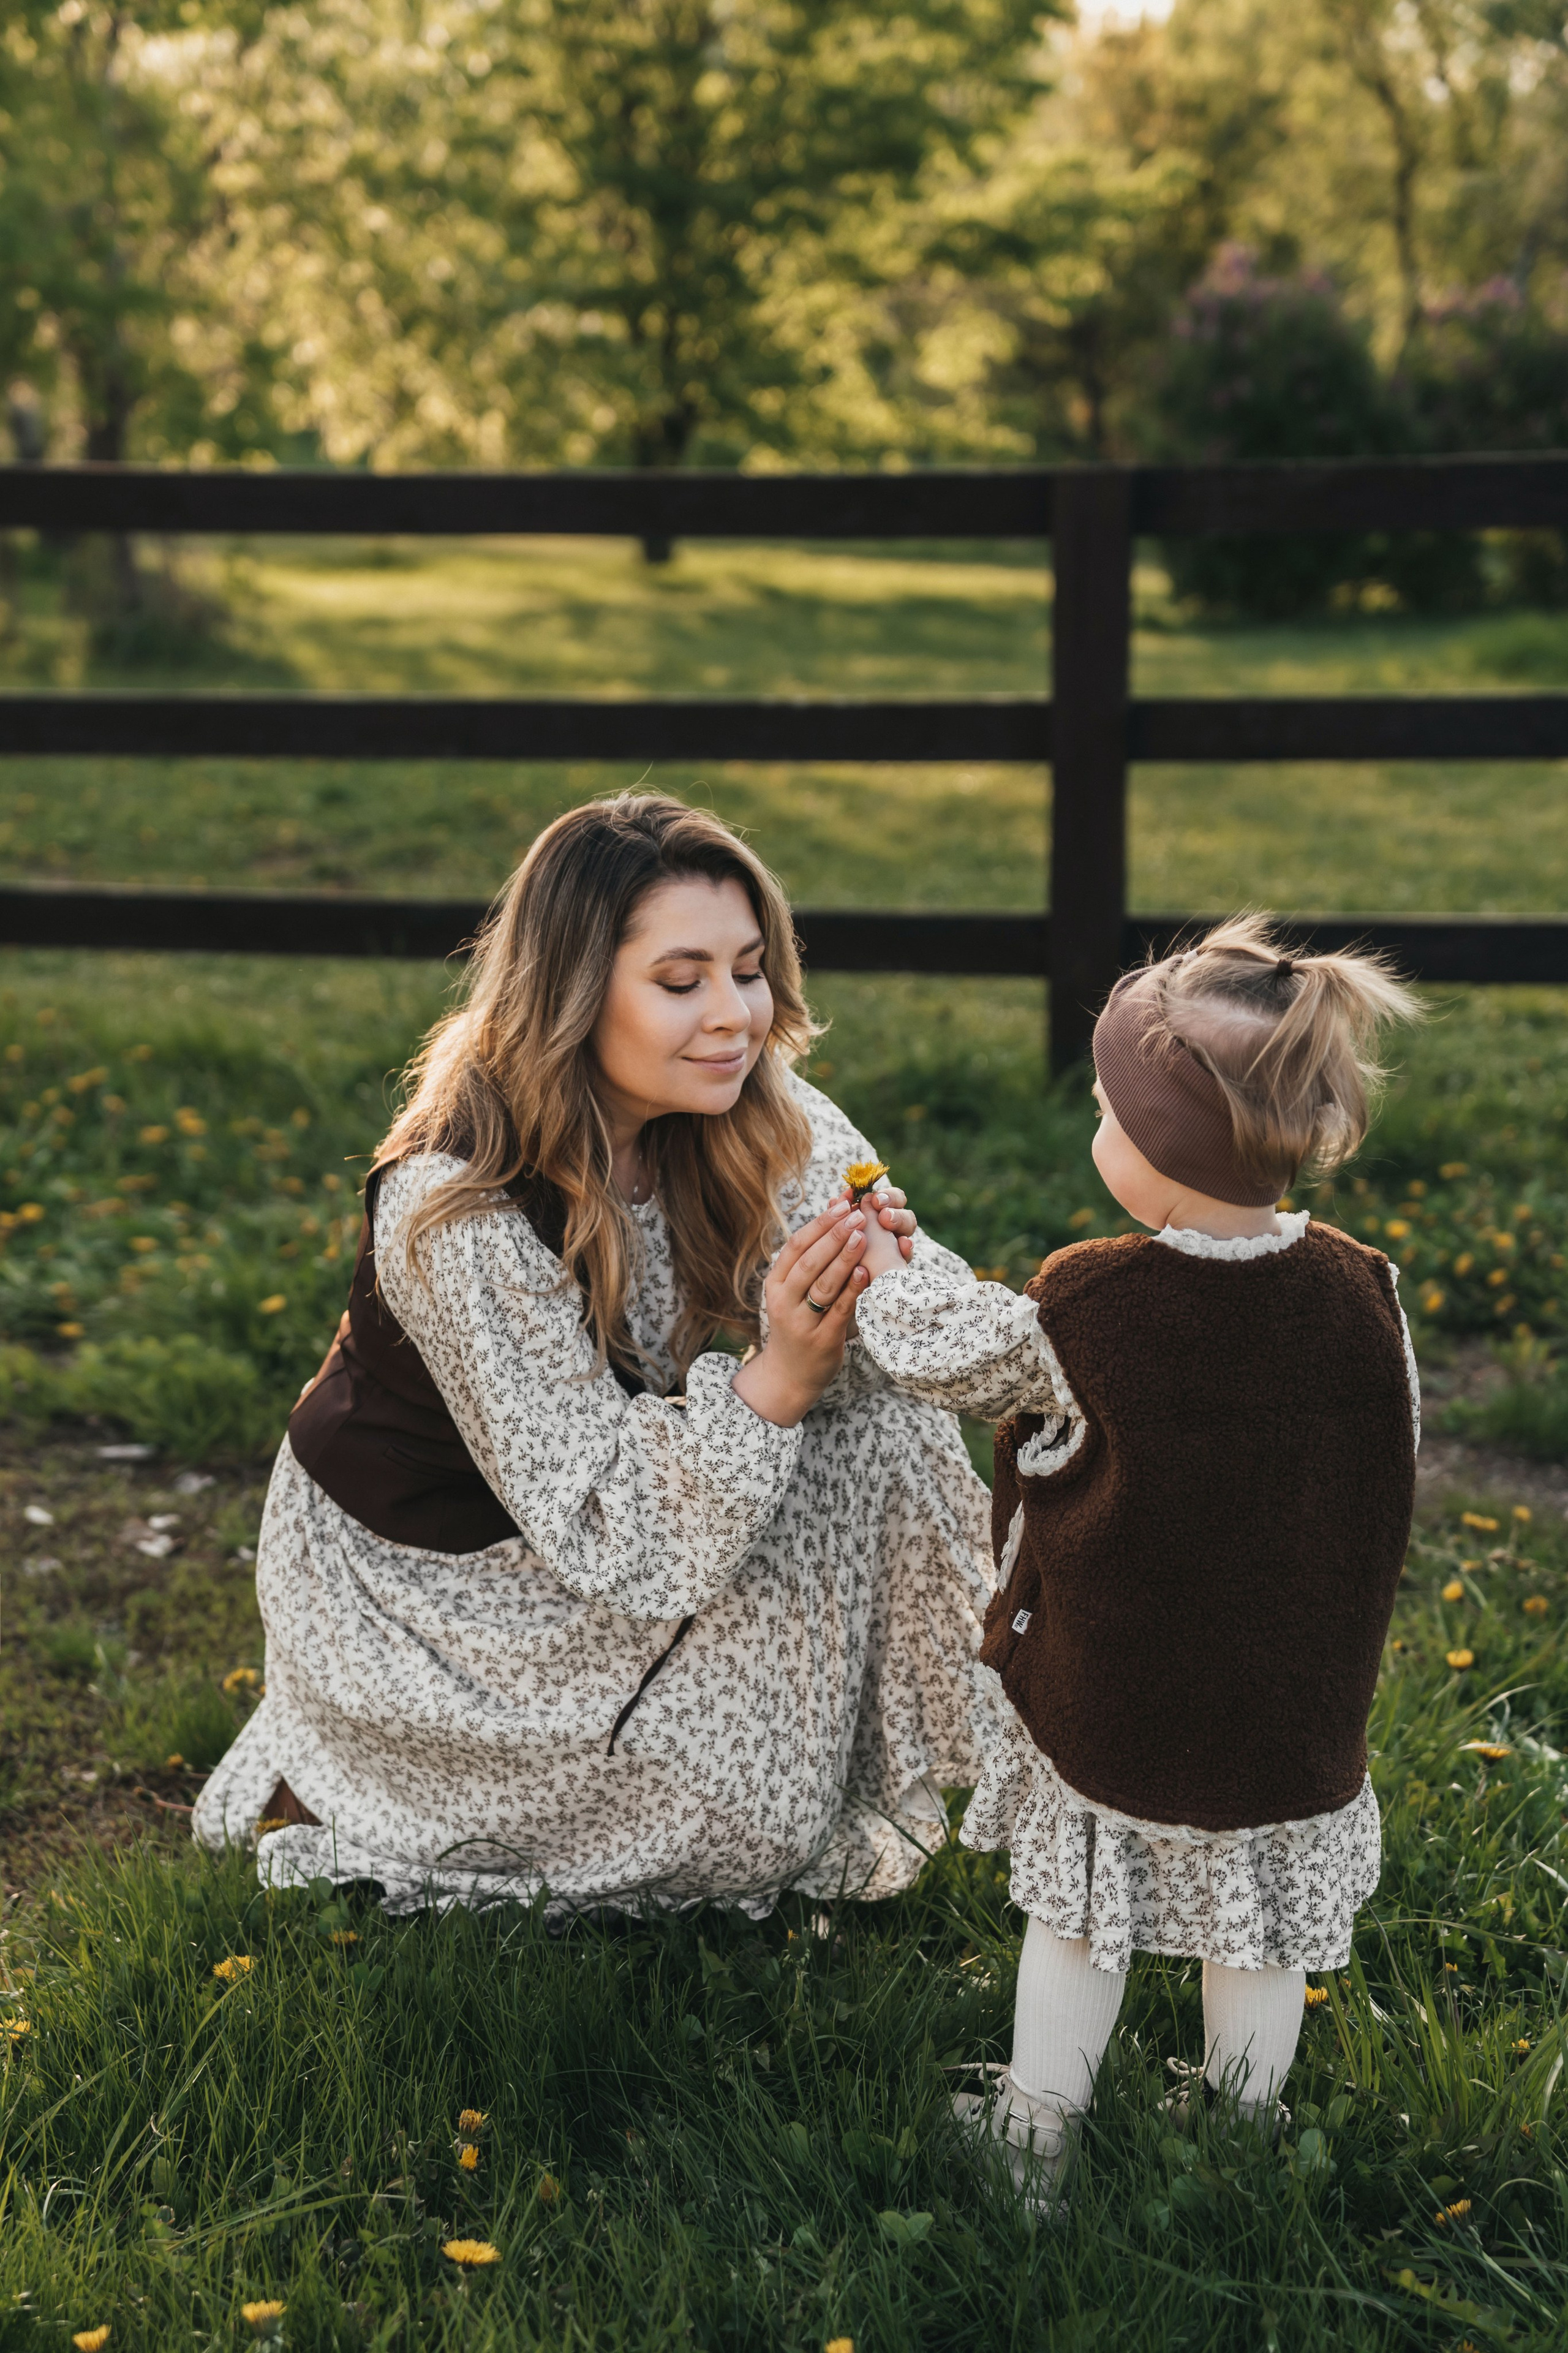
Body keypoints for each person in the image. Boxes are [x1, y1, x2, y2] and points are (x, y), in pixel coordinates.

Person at [194, 793, 1000, 1917]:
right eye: (681, 982)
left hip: (617, 1510)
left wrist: (918, 1303)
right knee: (736, 1817)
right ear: (574, 995)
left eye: (750, 969)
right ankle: (371, 1781)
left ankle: (970, 1739)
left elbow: (918, 1328)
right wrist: (776, 1379)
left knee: (884, 1423)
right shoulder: (458, 1205)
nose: (735, 1016)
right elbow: (606, 1519)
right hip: (443, 1594)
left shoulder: (749, 1104)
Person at [853, 915, 1422, 2202]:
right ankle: (1235, 2134)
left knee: (1077, 1918)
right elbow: (1388, 1449)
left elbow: (945, 1353)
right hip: (1290, 1705)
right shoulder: (1362, 1291)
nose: (1094, 1128)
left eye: (1109, 1111)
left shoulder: (1091, 1307)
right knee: (1261, 1929)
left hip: (1123, 1691)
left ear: (1163, 1149)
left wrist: (888, 1270)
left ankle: (1036, 2136)